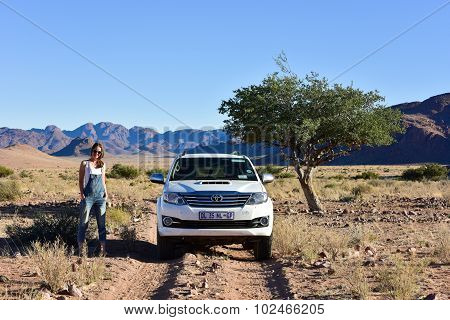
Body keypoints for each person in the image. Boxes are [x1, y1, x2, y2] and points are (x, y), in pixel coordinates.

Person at [77, 142, 108, 256]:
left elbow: (103, 181)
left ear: (101, 153)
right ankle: (81, 251)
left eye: (99, 152)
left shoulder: (102, 165)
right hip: (88, 197)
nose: (96, 153)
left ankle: (103, 250)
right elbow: (80, 180)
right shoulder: (84, 163)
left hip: (100, 197)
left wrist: (106, 194)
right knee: (83, 224)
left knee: (102, 225)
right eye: (95, 151)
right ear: (91, 151)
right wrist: (82, 194)